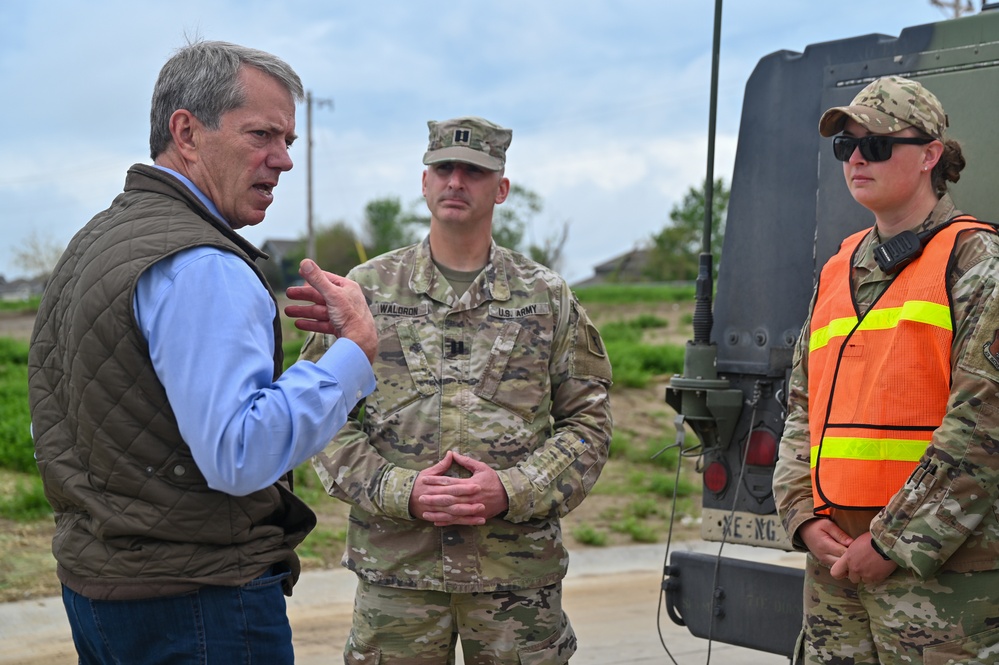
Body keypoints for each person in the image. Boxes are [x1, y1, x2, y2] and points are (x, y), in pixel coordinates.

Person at [27, 40, 378, 664]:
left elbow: (102, 419)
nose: (283, 160)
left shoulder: (96, 243)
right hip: (200, 605)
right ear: (187, 132)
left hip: (103, 592)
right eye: (263, 135)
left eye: (289, 142)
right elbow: (239, 456)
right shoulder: (203, 265)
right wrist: (350, 353)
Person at [299, 116, 614, 664]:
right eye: (443, 168)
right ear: (424, 182)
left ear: (502, 188)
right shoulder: (367, 290)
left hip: (514, 580)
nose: (456, 181)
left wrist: (513, 489)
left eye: (474, 170)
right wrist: (402, 490)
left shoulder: (547, 297)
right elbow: (321, 415)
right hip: (399, 576)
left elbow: (589, 423)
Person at [773, 75, 999, 664]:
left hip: (938, 574)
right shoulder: (838, 268)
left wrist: (894, 539)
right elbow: (803, 408)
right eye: (845, 147)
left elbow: (982, 427)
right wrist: (802, 517)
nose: (856, 160)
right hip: (835, 565)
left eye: (874, 145)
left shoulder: (976, 261)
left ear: (930, 156)